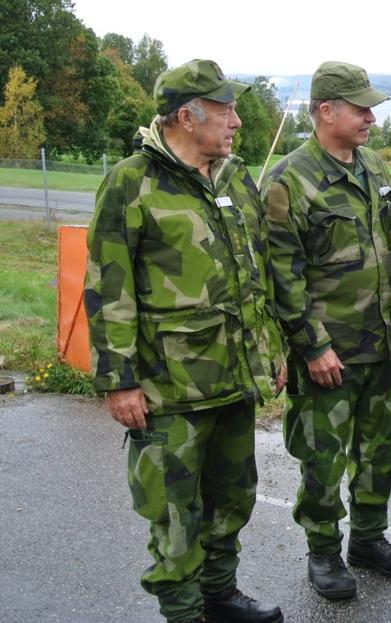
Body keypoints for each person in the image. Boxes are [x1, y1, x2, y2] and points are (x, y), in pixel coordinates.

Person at [85, 59, 285, 623]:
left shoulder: (234, 177)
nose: (237, 123)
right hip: (168, 388)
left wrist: (271, 349)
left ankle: (220, 594)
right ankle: (183, 609)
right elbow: (107, 287)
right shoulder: (132, 181)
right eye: (225, 112)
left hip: (234, 377)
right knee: (174, 512)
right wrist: (119, 381)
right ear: (185, 116)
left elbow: (258, 273)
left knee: (233, 499)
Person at [260, 61, 391, 600]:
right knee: (323, 456)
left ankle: (369, 539)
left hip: (379, 341)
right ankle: (323, 550)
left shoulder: (372, 165)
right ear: (326, 111)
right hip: (327, 352)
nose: (371, 117)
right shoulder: (289, 180)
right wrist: (313, 346)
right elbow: (283, 276)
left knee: (382, 449)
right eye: (360, 108)